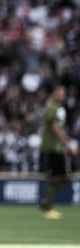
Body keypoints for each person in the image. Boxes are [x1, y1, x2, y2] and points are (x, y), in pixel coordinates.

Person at [39, 82, 78, 220]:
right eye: (60, 93)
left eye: (64, 94)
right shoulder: (51, 106)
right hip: (51, 148)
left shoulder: (56, 107)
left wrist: (69, 143)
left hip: (57, 148)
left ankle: (46, 204)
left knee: (62, 176)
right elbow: (55, 128)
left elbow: (59, 129)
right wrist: (68, 145)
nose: (63, 96)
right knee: (57, 176)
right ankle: (47, 207)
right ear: (53, 93)